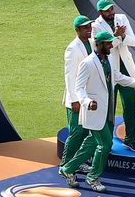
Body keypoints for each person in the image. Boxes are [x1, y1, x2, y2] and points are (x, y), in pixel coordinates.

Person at [60, 31, 135, 192]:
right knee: (105, 144)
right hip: (93, 113)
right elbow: (78, 88)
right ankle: (93, 178)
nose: (110, 45)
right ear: (99, 45)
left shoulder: (111, 59)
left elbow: (119, 77)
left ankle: (67, 168)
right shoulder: (87, 63)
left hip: (107, 112)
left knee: (91, 143)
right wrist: (86, 102)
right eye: (108, 43)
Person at [91, 0, 135, 151]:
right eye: (107, 10)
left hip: (126, 67)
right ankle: (107, 141)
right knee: (109, 107)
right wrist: (118, 36)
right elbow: (101, 47)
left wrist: (122, 37)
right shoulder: (95, 26)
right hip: (108, 68)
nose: (111, 12)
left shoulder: (122, 18)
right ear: (100, 12)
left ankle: (130, 138)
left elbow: (133, 41)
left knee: (130, 105)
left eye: (112, 8)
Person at [60, 16, 94, 174]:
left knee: (85, 131)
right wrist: (74, 100)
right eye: (85, 27)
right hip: (76, 100)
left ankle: (76, 163)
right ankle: (65, 165)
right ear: (77, 30)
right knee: (76, 133)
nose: (89, 29)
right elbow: (69, 76)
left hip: (87, 97)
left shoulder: (91, 44)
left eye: (89, 26)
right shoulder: (73, 49)